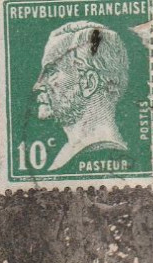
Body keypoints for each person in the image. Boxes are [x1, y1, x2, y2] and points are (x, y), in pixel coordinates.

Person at [33, 22, 130, 172]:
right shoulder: (68, 154)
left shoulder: (98, 152)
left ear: (88, 84)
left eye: (51, 72)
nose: (38, 86)